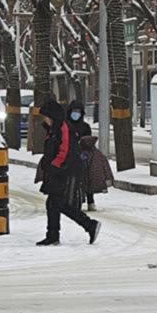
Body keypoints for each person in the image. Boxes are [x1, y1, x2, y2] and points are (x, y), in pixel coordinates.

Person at [36, 99, 101, 246]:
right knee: (56, 203)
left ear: (52, 116)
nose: (44, 119)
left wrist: (54, 165)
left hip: (62, 171)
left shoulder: (63, 128)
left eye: (46, 116)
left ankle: (88, 226)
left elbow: (64, 150)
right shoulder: (54, 129)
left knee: (56, 203)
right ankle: (58, 234)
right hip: (58, 171)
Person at [67, 99, 113, 211]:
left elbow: (89, 141)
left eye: (78, 111)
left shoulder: (85, 127)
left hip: (83, 153)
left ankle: (90, 199)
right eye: (74, 111)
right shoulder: (65, 126)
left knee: (92, 168)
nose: (75, 114)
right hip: (68, 154)